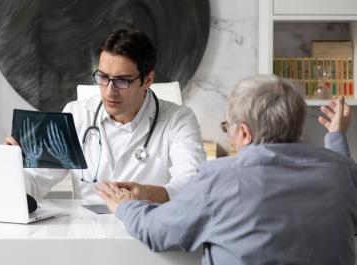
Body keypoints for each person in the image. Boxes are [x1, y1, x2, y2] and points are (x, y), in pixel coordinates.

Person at [95, 75, 357, 265]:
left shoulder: (219, 178)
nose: (229, 136)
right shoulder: (342, 171)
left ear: (243, 132)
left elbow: (156, 232)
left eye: (227, 127)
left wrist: (124, 205)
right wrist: (336, 137)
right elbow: (343, 182)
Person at [5, 28, 206, 204]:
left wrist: (147, 193)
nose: (109, 91)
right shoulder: (76, 115)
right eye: (102, 77)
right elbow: (35, 182)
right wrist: (10, 167)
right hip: (87, 236)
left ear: (147, 80)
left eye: (122, 81)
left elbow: (193, 184)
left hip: (146, 231)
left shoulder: (179, 120)